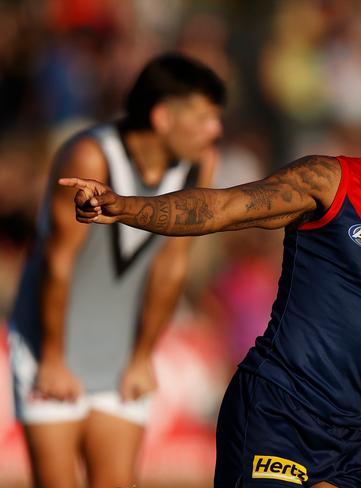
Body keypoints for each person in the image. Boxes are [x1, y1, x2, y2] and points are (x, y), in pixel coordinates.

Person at [61, 60, 361, 488]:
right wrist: (127, 207)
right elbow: (220, 208)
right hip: (273, 406)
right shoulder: (331, 180)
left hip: (343, 435)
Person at [9, 52, 225, 488]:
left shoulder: (200, 164)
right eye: (203, 118)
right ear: (163, 117)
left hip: (121, 357)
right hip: (47, 350)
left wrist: (143, 355)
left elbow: (172, 264)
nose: (215, 130)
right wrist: (51, 358)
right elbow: (58, 260)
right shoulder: (90, 156)